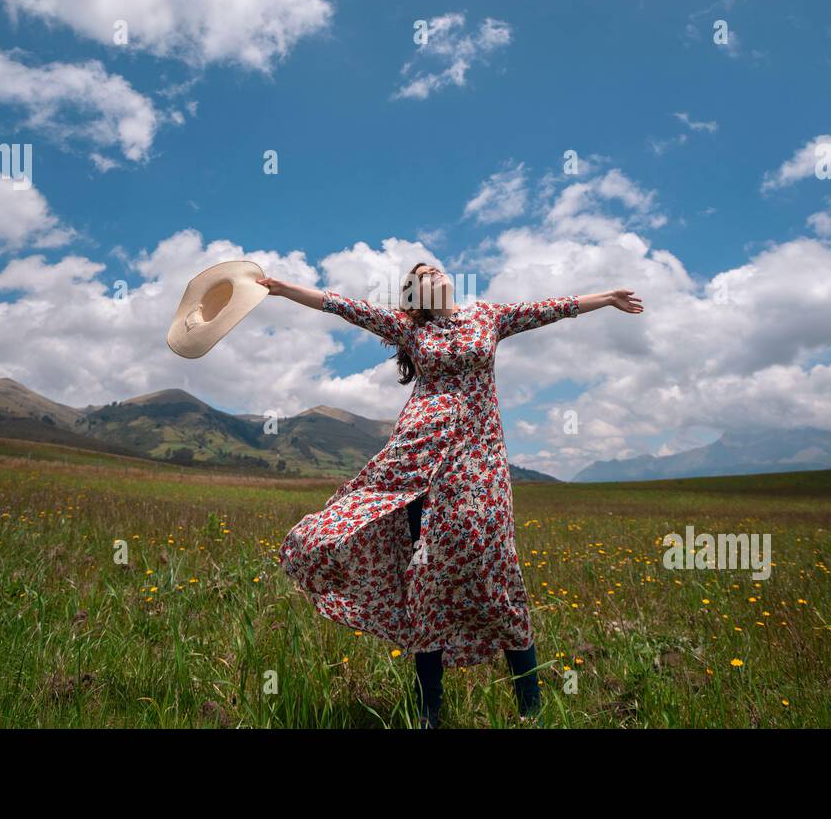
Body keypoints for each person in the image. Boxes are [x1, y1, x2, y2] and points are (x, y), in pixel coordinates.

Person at [261, 263, 643, 727]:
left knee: (496, 569)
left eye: (436, 267)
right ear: (413, 294)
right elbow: (343, 306)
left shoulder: (489, 317)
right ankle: (429, 712)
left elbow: (551, 309)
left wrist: (605, 297)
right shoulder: (409, 327)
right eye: (421, 273)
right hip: (422, 459)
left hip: (482, 463)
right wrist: (283, 289)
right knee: (427, 576)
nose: (433, 272)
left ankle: (532, 710)